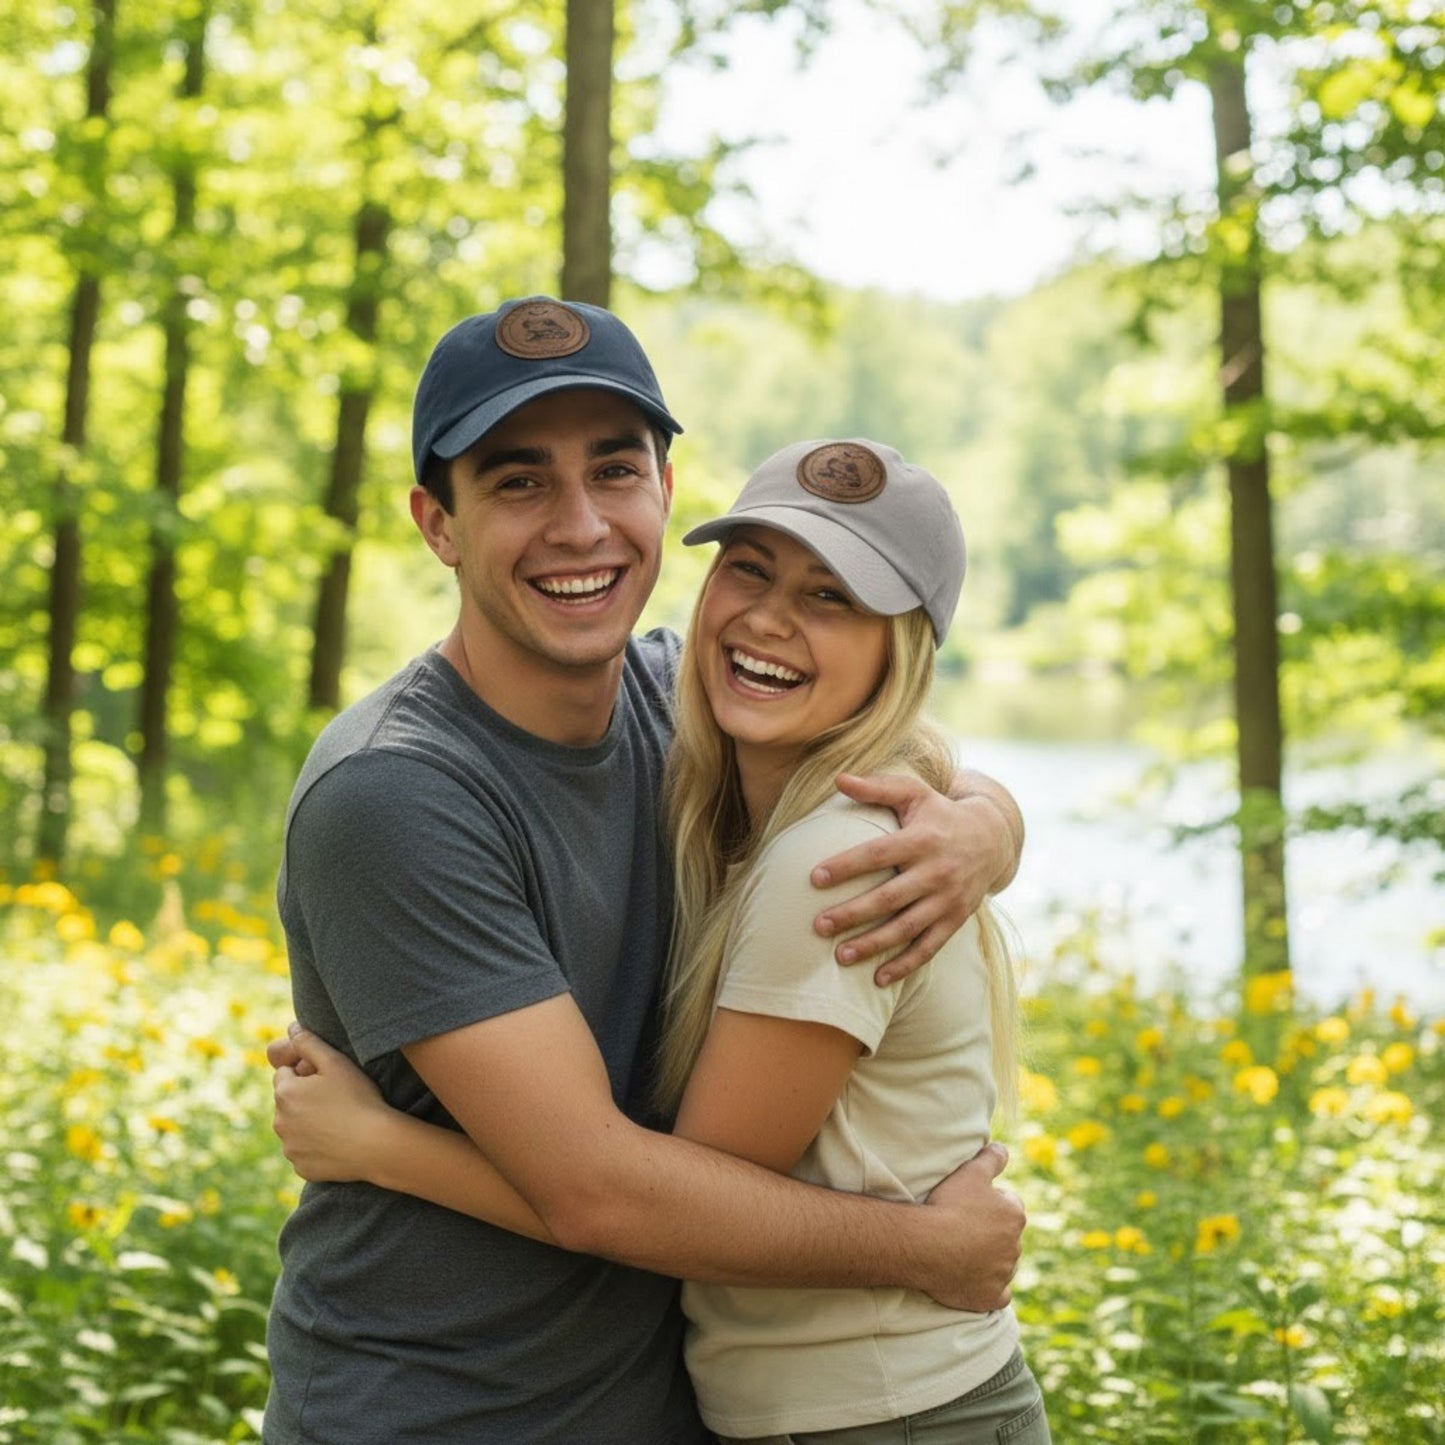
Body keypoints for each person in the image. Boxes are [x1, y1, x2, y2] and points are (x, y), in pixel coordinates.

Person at [264, 296, 1028, 1445]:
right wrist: (926, 1246)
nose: (580, 524)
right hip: (441, 1407)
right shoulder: (397, 794)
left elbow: (892, 737)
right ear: (438, 522)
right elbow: (600, 1189)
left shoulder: (690, 702)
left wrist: (985, 827)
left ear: (663, 497)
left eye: (613, 471)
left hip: (659, 1401)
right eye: (518, 481)